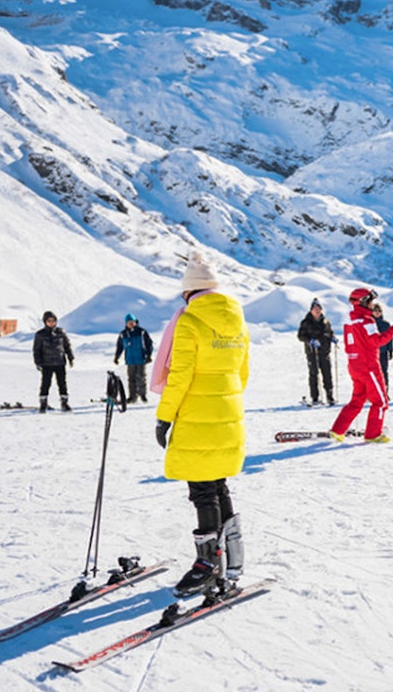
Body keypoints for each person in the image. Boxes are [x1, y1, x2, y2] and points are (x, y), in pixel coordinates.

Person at [154, 252, 250, 597]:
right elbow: (242, 374)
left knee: (202, 489)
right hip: (228, 414)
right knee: (218, 484)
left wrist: (164, 416)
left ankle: (207, 566)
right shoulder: (238, 321)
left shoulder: (189, 322)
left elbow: (179, 376)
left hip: (197, 415)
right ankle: (233, 560)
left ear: (189, 291)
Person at [330, 288, 393, 443]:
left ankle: (337, 430)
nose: (373, 304)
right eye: (371, 301)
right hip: (369, 366)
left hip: (354, 366)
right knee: (380, 402)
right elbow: (376, 341)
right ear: (363, 302)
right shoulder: (367, 321)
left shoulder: (349, 322)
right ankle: (373, 434)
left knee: (357, 400)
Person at [33, 310, 74, 413]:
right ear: (45, 322)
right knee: (45, 384)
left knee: (62, 384)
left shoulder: (60, 332)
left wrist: (70, 357)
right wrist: (38, 362)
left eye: (53, 321)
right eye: (49, 321)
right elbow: (36, 350)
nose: (51, 323)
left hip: (60, 362)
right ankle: (43, 403)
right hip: (46, 364)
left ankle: (64, 403)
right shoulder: (40, 334)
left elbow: (67, 345)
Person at [297, 299, 336, 406]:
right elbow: (300, 336)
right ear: (311, 310)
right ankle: (315, 397)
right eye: (315, 309)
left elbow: (329, 332)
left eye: (319, 308)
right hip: (312, 352)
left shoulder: (326, 321)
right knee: (314, 373)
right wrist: (310, 340)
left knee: (327, 373)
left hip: (324, 351)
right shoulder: (306, 322)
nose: (317, 311)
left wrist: (332, 338)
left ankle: (330, 396)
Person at [114, 313, 154, 404]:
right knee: (131, 379)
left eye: (132, 322)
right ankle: (132, 396)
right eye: (129, 322)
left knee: (141, 378)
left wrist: (149, 355)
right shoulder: (123, 334)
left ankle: (143, 395)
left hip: (141, 359)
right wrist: (117, 357)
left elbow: (149, 344)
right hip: (130, 360)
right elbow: (120, 347)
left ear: (135, 322)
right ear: (126, 324)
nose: (131, 324)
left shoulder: (142, 332)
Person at [372, 302, 393, 392]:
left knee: (384, 372)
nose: (377, 312)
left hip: (383, 352)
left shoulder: (386, 324)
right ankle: (372, 392)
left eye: (379, 311)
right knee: (372, 373)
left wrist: (390, 350)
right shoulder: (369, 324)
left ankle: (385, 391)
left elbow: (390, 338)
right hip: (372, 353)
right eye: (375, 310)